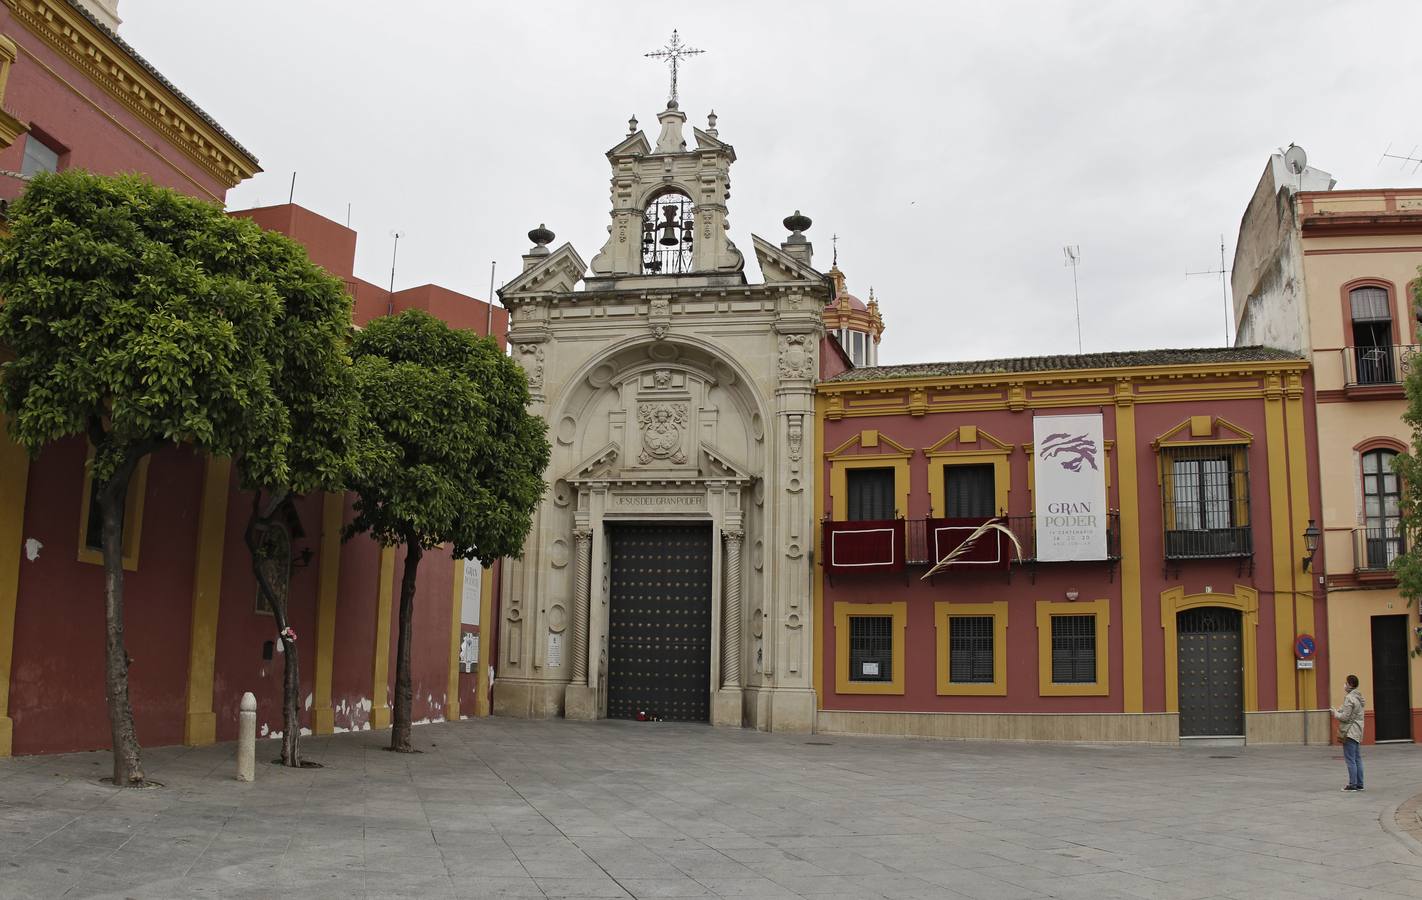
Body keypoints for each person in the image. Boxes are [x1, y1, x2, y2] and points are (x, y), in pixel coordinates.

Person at [1331, 674, 1365, 792]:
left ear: (1350, 685)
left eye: (1346, 683)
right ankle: (1360, 784)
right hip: (1358, 731)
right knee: (1357, 758)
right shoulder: (1359, 697)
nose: (1344, 685)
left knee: (1350, 759)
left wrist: (1335, 714)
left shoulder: (1349, 698)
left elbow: (1345, 717)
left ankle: (1352, 785)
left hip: (1350, 732)